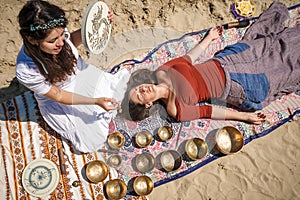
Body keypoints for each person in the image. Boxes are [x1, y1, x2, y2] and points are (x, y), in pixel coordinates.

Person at [121, 2, 300, 124]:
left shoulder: (161, 72)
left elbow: (188, 59)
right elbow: (209, 111)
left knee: (275, 43)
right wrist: (245, 117)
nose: (143, 89)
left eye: (138, 88)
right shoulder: (174, 110)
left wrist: (209, 39)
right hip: (236, 85)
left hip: (227, 60)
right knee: (285, 66)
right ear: (148, 104)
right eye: (140, 95)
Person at [16, 0, 129, 153]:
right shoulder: (26, 70)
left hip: (82, 74)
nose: (60, 43)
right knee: (92, 139)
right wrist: (94, 101)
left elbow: (73, 40)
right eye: (52, 41)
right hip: (65, 98)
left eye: (62, 35)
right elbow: (59, 95)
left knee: (124, 89)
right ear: (32, 40)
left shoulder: (56, 32)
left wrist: (99, 24)